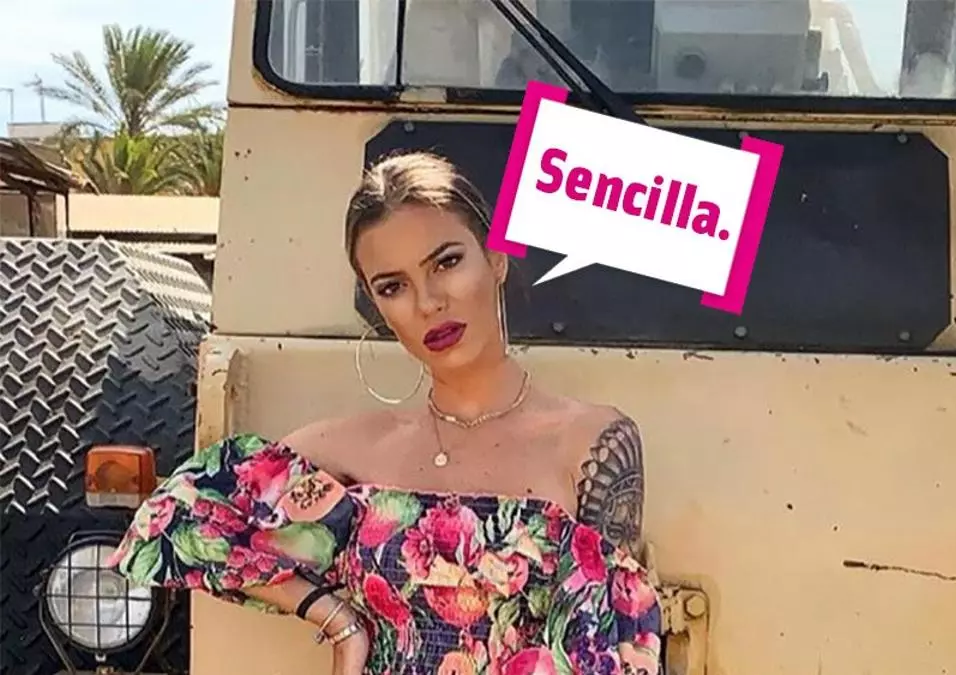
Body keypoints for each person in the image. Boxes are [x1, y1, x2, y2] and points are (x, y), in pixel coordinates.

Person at [106, 151, 663, 674]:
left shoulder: (591, 442)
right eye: (393, 286)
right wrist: (338, 621)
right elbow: (175, 518)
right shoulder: (352, 449)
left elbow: (611, 647)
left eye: (447, 262)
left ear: (496, 258)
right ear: (377, 306)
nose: (428, 302)